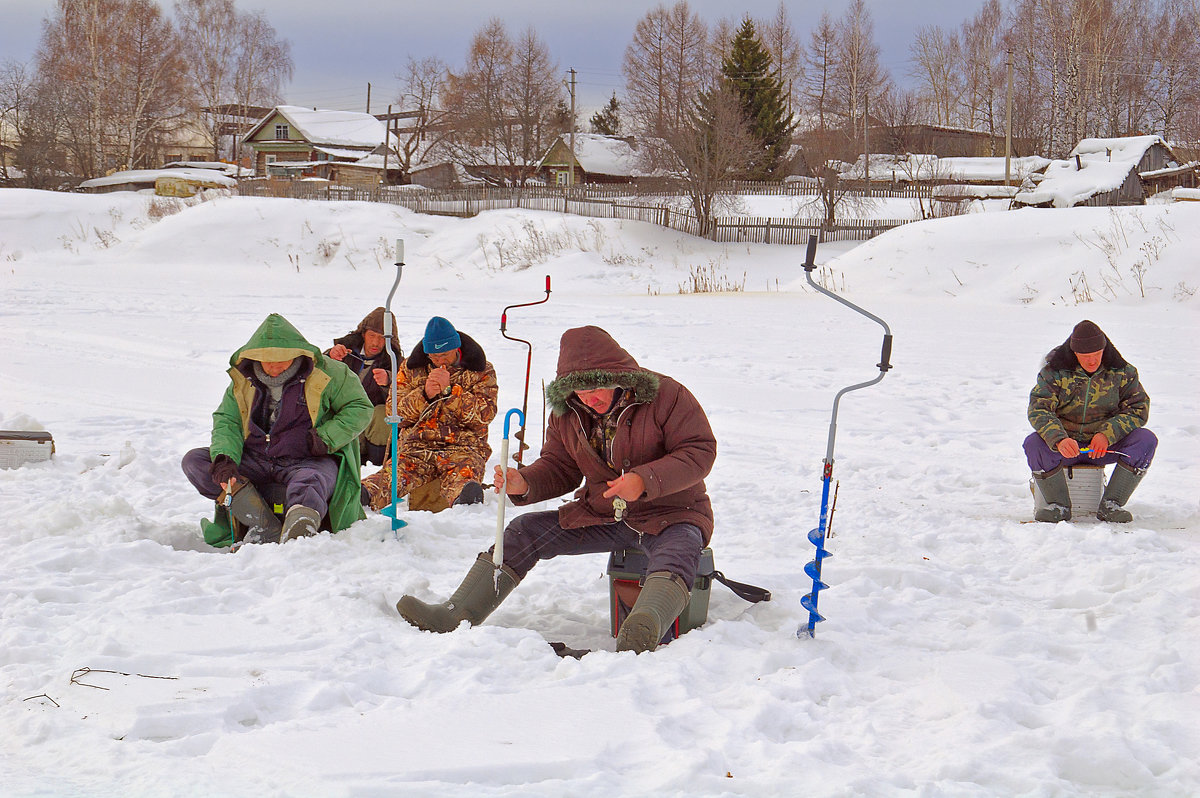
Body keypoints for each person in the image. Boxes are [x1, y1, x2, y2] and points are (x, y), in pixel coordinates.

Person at [394, 326, 717, 654]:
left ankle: (644, 623)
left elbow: (699, 450)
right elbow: (560, 468)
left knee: (679, 549)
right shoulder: (567, 411)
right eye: (579, 391)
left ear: (620, 375)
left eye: (596, 387)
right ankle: (456, 613)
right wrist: (526, 482)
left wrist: (644, 481)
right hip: (604, 514)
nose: (589, 398)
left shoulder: (667, 396)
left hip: (673, 514)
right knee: (523, 531)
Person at [182, 313, 373, 547]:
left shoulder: (331, 373)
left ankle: (299, 531)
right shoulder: (243, 378)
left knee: (311, 481)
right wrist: (225, 459)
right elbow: (227, 420)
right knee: (196, 461)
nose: (273, 367)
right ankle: (263, 525)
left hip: (308, 459)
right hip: (256, 458)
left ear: (296, 354)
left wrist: (324, 438)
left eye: (280, 360)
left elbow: (359, 407)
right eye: (267, 360)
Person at [360, 316, 498, 512]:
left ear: (456, 349)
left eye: (445, 355)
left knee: (464, 478)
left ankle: (465, 504)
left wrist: (451, 392)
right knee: (389, 478)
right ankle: (362, 498)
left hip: (463, 447)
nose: (440, 361)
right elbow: (394, 414)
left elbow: (485, 415)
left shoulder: (481, 370)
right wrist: (424, 394)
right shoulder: (410, 369)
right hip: (416, 447)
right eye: (434, 357)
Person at [1025, 319, 1156, 523]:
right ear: (1074, 352)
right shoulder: (1054, 373)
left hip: (1105, 448)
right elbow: (1038, 409)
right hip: (1064, 449)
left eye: (1097, 355)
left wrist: (1106, 435)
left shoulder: (1123, 373)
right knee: (1033, 443)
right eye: (1086, 357)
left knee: (1146, 439)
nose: (1092, 361)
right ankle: (1058, 506)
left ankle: (1111, 504)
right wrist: (1059, 439)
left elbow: (1138, 408)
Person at [325, 307, 403, 466]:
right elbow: (313, 376)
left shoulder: (396, 364)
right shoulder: (342, 353)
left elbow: (404, 400)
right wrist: (328, 358)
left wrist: (389, 381)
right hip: (343, 423)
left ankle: (376, 466)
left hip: (371, 430)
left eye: (382, 337)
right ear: (363, 334)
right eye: (372, 336)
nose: (376, 342)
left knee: (384, 415)